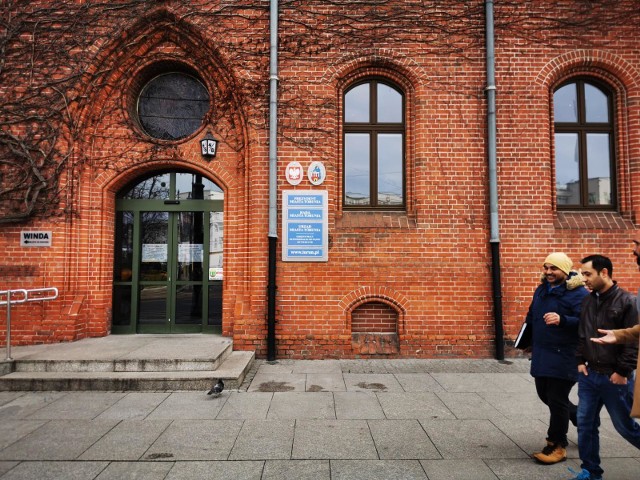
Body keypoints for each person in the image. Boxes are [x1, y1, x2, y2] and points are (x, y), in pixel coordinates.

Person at [569, 254, 640, 480]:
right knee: (585, 426)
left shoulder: (627, 301)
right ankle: (591, 472)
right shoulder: (588, 300)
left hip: (614, 378)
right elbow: (583, 334)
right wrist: (579, 361)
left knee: (625, 427)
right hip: (589, 376)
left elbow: (633, 340)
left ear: (605, 273)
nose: (584, 279)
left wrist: (622, 372)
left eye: (588, 274)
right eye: (582, 274)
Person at [525, 252, 588, 464]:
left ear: (565, 270)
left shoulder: (578, 294)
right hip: (542, 353)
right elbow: (531, 315)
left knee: (557, 399)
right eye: (546, 268)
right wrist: (527, 341)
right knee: (545, 395)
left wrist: (563, 320)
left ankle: (557, 445)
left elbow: (586, 323)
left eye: (554, 268)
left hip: (565, 355)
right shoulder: (542, 289)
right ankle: (582, 418)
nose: (549, 272)